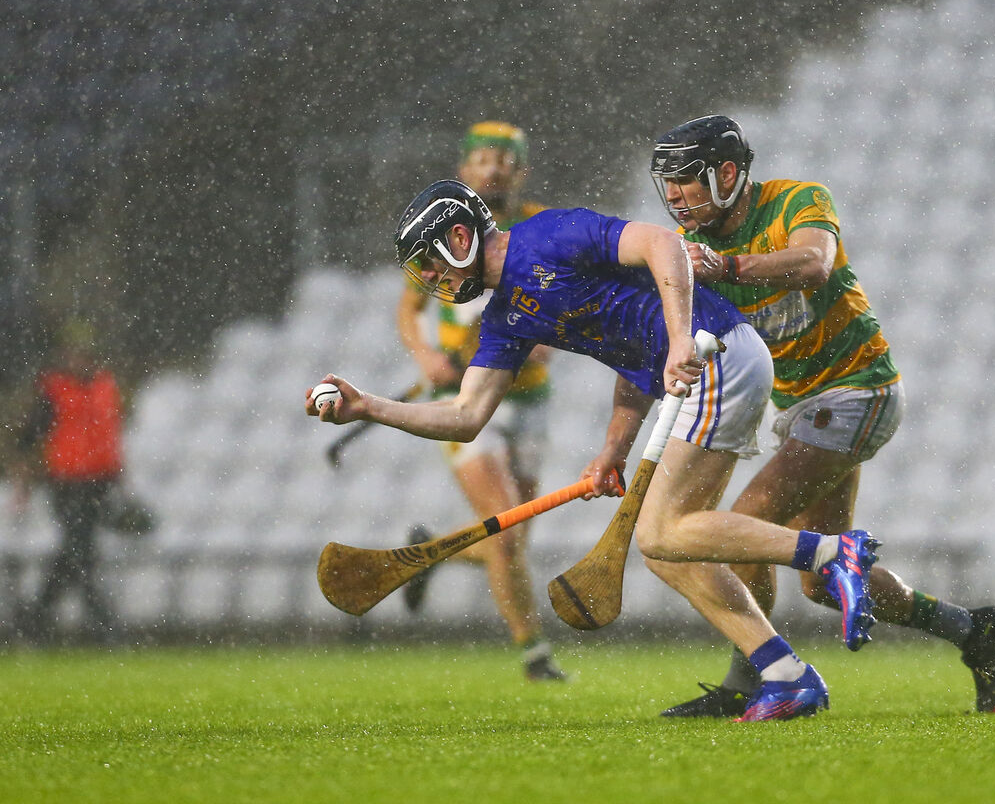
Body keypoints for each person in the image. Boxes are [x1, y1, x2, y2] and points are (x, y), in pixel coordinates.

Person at [308, 178, 881, 722]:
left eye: (430, 262)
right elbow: (465, 417)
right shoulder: (505, 317)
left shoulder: (550, 233)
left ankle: (833, 555)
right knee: (664, 548)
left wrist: (680, 336)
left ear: (460, 238)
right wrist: (370, 407)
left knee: (659, 532)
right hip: (702, 370)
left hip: (715, 353)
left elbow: (665, 245)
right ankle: (784, 673)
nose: (430, 279)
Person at [647, 115, 995, 716]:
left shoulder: (796, 199)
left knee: (747, 524)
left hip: (857, 392)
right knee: (821, 581)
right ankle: (970, 628)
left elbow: (813, 263)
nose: (676, 195)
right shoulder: (694, 248)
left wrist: (725, 269)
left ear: (730, 173)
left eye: (688, 179)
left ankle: (756, 679)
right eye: (669, 183)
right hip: (803, 410)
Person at [394, 121, 565, 682]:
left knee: (511, 539)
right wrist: (425, 356)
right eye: (481, 159)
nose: (493, 169)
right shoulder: (443, 227)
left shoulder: (540, 225)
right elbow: (408, 308)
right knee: (507, 531)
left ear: (522, 170)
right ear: (464, 168)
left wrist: (548, 334)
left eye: (504, 159)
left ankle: (428, 553)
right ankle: (535, 655)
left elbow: (560, 303)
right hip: (461, 397)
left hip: (530, 399)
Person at [14, 320, 122, 642]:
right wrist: (24, 481)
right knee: (80, 548)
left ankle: (36, 617)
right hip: (67, 481)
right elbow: (30, 436)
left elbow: (111, 433)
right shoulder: (54, 391)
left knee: (76, 550)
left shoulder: (105, 386)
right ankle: (102, 622)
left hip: (100, 481)